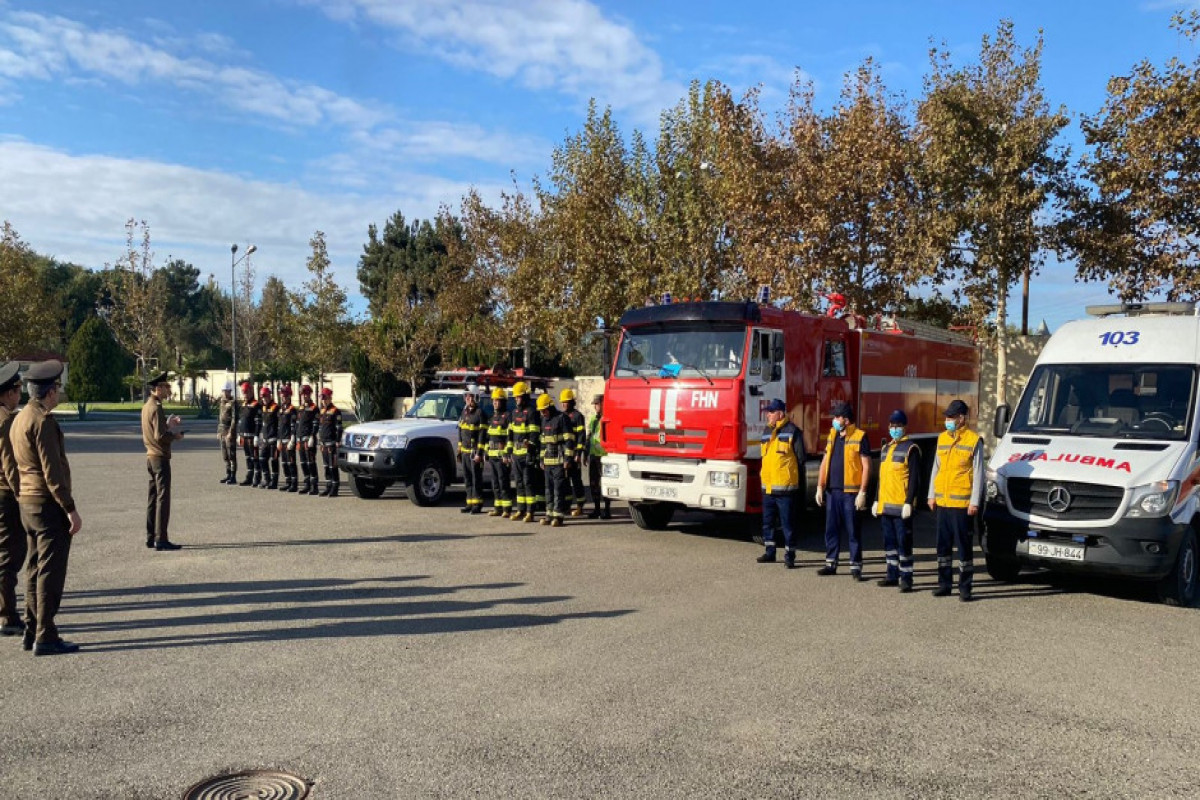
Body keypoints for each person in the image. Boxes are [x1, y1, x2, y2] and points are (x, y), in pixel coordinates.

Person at [11, 360, 83, 655]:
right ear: (50, 391)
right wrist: (70, 508)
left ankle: (32, 629)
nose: (59, 394)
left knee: (34, 568)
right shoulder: (42, 422)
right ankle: (46, 634)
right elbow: (52, 471)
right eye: (58, 389)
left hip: (27, 502)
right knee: (50, 572)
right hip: (46, 503)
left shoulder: (21, 417)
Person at [928, 399, 984, 601]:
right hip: (943, 502)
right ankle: (944, 584)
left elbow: (978, 474)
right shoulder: (942, 438)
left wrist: (974, 501)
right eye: (947, 417)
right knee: (942, 547)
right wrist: (931, 494)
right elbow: (936, 468)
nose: (947, 420)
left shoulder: (973, 440)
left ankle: (965, 587)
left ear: (961, 418)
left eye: (951, 417)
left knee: (963, 547)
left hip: (962, 504)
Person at [815, 401, 871, 579]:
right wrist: (819, 486)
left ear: (846, 420)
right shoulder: (832, 435)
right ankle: (830, 563)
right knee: (831, 529)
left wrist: (862, 492)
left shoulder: (860, 436)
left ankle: (856, 567)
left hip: (850, 493)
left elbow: (867, 466)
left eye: (837, 417)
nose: (834, 420)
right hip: (833, 491)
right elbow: (825, 461)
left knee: (853, 531)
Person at [872, 410, 921, 592]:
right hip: (886, 506)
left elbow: (915, 478)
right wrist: (876, 500)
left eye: (898, 426)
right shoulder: (886, 449)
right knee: (889, 543)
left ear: (904, 427)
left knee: (904, 542)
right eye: (892, 426)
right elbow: (881, 479)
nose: (894, 429)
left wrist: (909, 502)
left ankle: (906, 578)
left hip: (901, 507)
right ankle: (891, 575)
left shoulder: (911, 448)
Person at [756, 397, 805, 568]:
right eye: (768, 412)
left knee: (787, 524)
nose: (768, 414)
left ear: (780, 413)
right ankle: (770, 552)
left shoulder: (793, 431)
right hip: (768, 488)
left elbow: (800, 459)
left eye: (771, 412)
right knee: (767, 522)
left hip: (785, 489)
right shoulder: (767, 432)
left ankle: (790, 555)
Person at [141, 372, 185, 551]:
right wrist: (175, 436)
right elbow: (160, 436)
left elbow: (155, 429)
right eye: (165, 387)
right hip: (160, 457)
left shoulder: (147, 406)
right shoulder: (157, 406)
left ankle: (151, 536)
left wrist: (168, 424)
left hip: (150, 457)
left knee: (153, 498)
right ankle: (161, 538)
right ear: (157, 388)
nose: (168, 390)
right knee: (162, 498)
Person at [0, 361, 27, 636]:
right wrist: (22, 497)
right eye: (18, 390)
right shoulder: (6, 421)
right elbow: (10, 465)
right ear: (8, 393)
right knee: (10, 554)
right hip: (6, 495)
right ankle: (6, 615)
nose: (20, 395)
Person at [538, 393, 575, 528]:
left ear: (550, 407)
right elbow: (543, 442)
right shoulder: (544, 420)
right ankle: (549, 514)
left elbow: (569, 440)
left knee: (559, 489)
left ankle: (558, 516)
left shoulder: (562, 418)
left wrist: (568, 458)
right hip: (548, 461)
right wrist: (541, 459)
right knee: (548, 489)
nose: (542, 413)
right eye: (541, 411)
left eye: (544, 410)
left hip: (559, 461)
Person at [507, 382, 539, 522]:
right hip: (516, 454)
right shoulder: (513, 413)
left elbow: (534, 433)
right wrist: (509, 450)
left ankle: (530, 512)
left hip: (526, 454)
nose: (516, 399)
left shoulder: (531, 412)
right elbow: (510, 433)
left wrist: (530, 447)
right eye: (515, 397)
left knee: (528, 483)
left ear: (525, 396)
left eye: (519, 397)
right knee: (518, 483)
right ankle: (520, 509)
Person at [485, 387, 513, 516]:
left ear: (503, 401)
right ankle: (498, 507)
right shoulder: (492, 418)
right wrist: (486, 451)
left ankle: (507, 508)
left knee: (503, 482)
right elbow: (488, 436)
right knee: (495, 483)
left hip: (502, 457)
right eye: (494, 401)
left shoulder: (507, 417)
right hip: (492, 456)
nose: (495, 403)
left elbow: (510, 437)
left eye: (498, 400)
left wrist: (507, 453)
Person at [457, 389, 486, 514]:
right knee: (467, 478)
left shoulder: (480, 414)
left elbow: (482, 435)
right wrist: (459, 449)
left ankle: (477, 504)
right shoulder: (464, 412)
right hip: (464, 452)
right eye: (468, 397)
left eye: (472, 397)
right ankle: (469, 502)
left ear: (476, 398)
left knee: (476, 479)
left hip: (475, 453)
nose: (469, 399)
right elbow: (460, 431)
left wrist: (479, 453)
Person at [584, 393, 611, 519]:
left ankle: (607, 510)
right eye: (594, 404)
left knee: (606, 483)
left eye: (597, 404)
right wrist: (585, 453)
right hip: (594, 455)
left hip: (605, 456)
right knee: (593, 483)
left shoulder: (608, 419)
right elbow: (589, 437)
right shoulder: (594, 419)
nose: (595, 406)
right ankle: (597, 509)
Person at [561, 388, 587, 516]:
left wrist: (578, 454)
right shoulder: (562, 416)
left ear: (571, 402)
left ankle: (580, 506)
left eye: (566, 402)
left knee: (576, 481)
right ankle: (566, 506)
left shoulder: (577, 416)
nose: (564, 404)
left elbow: (582, 436)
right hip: (565, 455)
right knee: (565, 482)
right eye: (562, 402)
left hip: (574, 455)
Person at [317, 387, 342, 497]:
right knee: (326, 466)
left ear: (329, 398)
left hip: (332, 443)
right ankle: (328, 486)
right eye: (322, 399)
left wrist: (337, 440)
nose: (323, 401)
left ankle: (335, 488)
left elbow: (339, 428)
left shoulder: (335, 411)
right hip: (323, 443)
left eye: (325, 398)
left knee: (333, 467)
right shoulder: (322, 410)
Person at [236, 382, 261, 486]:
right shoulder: (243, 405)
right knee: (248, 457)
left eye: (247, 392)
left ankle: (257, 477)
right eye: (244, 392)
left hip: (252, 436)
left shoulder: (256, 405)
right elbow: (240, 420)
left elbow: (258, 422)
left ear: (251, 392)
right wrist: (239, 434)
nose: (245, 394)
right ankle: (249, 476)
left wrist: (256, 435)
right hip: (244, 436)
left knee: (254, 457)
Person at [295, 385, 319, 494]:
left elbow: (316, 424)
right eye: (303, 394)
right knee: (303, 463)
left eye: (306, 394)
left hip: (309, 440)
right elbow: (297, 423)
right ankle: (307, 484)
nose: (304, 396)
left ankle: (314, 486)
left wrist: (312, 436)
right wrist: (294, 436)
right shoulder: (300, 408)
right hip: (300, 439)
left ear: (310, 394)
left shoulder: (314, 408)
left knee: (311, 463)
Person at [258, 386, 280, 490]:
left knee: (273, 460)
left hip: (273, 439)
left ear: (270, 396)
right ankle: (266, 479)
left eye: (265, 396)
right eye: (262, 397)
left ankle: (274, 482)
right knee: (262, 459)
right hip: (265, 439)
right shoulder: (263, 407)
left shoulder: (275, 407)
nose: (264, 399)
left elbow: (280, 424)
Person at [277, 386, 298, 492]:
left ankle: (294, 484)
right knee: (284, 463)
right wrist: (278, 439)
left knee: (291, 462)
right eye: (282, 396)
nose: (283, 398)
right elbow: (279, 426)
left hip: (289, 440)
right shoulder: (281, 409)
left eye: (285, 396)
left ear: (289, 397)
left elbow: (293, 426)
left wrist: (293, 439)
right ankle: (288, 482)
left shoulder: (292, 410)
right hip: (282, 440)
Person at [217, 381, 238, 485]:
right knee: (225, 455)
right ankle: (228, 474)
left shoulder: (233, 403)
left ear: (230, 391)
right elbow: (220, 418)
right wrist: (218, 431)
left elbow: (234, 419)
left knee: (231, 454)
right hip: (222, 431)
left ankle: (233, 476)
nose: (225, 393)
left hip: (229, 431)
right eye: (224, 391)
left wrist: (231, 432)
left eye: (227, 391)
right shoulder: (222, 402)